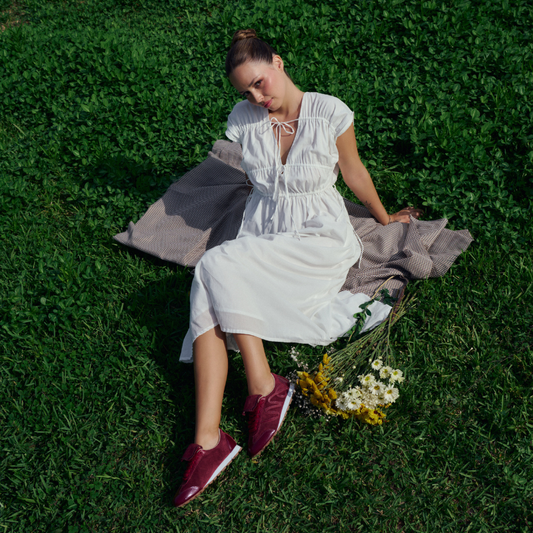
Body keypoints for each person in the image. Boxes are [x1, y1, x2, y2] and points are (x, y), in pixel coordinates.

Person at [173, 29, 422, 508]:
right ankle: (221, 425)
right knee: (213, 275)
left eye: (260, 83)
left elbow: (353, 172)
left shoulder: (328, 111)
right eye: (246, 91)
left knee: (214, 266)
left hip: (317, 240)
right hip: (263, 232)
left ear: (279, 63)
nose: (256, 97)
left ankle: (242, 409)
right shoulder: (244, 120)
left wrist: (385, 218)